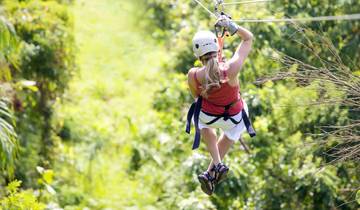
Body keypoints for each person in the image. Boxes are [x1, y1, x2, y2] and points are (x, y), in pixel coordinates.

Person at [186, 16, 255, 195]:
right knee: (232, 131)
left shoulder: (193, 75)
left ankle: (216, 165)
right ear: (216, 49)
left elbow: (197, 96)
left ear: (198, 55)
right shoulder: (231, 68)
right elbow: (248, 38)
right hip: (234, 117)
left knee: (199, 115)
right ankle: (212, 171)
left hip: (209, 116)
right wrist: (232, 26)